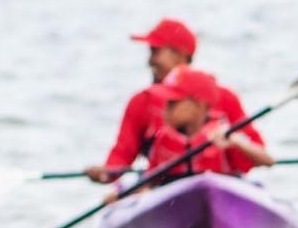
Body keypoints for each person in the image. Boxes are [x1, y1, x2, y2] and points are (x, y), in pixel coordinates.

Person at [85, 18, 252, 184]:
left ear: (179, 54)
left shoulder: (226, 98)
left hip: (219, 184)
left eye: (154, 52)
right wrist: (106, 174)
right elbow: (122, 155)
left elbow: (254, 152)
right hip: (163, 188)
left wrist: (237, 142)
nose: (149, 61)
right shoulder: (142, 101)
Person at [102, 69, 273, 202]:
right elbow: (149, 182)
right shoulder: (162, 139)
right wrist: (125, 195)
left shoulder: (225, 136)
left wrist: (236, 141)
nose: (166, 109)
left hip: (221, 193)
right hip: (172, 199)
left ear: (198, 105)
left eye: (173, 103)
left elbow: (267, 160)